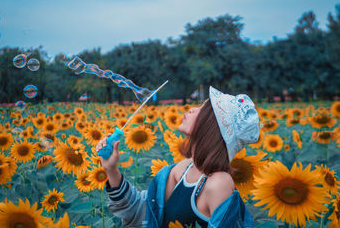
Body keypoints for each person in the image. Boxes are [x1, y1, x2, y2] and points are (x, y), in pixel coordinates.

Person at [96, 86, 260, 228]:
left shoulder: (218, 183)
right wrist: (111, 169)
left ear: (214, 126)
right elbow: (140, 212)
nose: (192, 109)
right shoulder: (182, 169)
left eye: (202, 109)